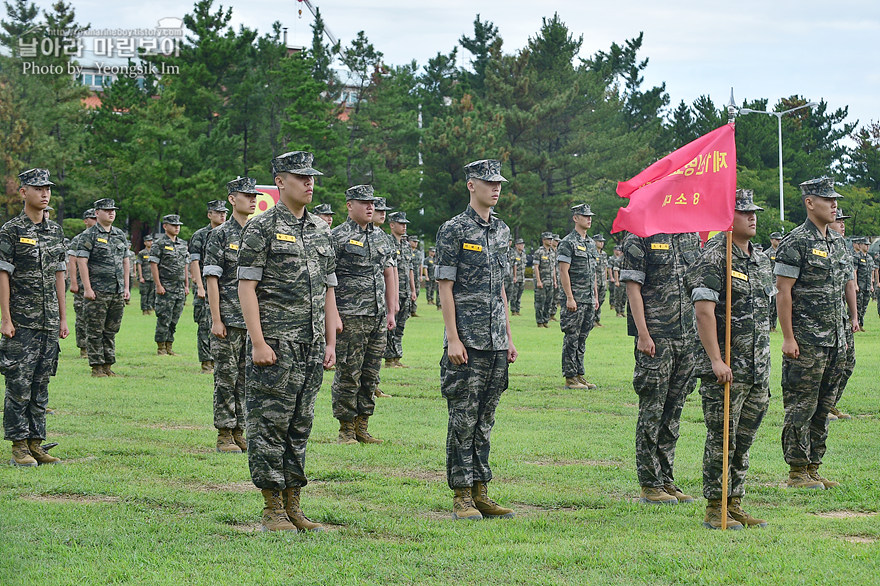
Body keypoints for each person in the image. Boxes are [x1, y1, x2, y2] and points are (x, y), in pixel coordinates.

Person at [237, 151, 338, 532]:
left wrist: (329, 341)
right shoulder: (261, 227)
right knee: (269, 425)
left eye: (312, 176)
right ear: (280, 181)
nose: (309, 182)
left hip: (311, 345)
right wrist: (258, 342)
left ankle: (294, 502)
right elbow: (247, 288)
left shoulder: (320, 229)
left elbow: (329, 289)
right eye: (301, 177)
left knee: (300, 424)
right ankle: (272, 507)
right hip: (276, 344)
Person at [435, 159, 517, 521]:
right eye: (488, 183)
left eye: (498, 182)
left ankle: (482, 490)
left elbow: (500, 285)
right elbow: (445, 286)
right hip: (467, 341)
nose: (495, 188)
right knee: (463, 420)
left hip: (496, 341)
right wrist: (453, 338)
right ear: (471, 185)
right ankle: (462, 495)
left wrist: (509, 337)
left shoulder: (502, 230)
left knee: (485, 420)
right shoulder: (453, 229)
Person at [686, 189, 772, 530]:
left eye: (754, 211)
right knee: (723, 437)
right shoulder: (714, 257)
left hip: (757, 368)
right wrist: (716, 361)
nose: (752, 217)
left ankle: (735, 502)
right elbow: (704, 312)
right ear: (726, 217)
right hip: (726, 369)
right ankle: (714, 505)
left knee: (745, 438)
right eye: (743, 212)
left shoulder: (760, 259)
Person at [774, 177, 858, 490]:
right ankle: (797, 471)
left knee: (824, 406)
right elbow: (784, 292)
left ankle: (814, 466)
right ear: (810, 203)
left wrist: (849, 325)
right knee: (802, 406)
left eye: (835, 200)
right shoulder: (795, 241)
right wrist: (788, 337)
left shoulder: (837, 243)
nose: (835, 205)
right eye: (828, 200)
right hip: (806, 340)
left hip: (835, 339)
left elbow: (844, 286)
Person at [621, 226, 701, 505]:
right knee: (652, 412)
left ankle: (666, 478)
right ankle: (649, 483)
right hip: (656, 337)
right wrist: (643, 333)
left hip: (687, 336)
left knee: (673, 412)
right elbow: (633, 287)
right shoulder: (640, 235)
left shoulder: (690, 235)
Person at [0, 168, 68, 466]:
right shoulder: (10, 231)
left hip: (49, 321)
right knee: (19, 383)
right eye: (38, 188)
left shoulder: (55, 231)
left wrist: (64, 318)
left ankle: (36, 443)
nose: (45, 193)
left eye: (48, 188)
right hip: (21, 322)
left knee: (41, 384)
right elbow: (3, 275)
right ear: (23, 192)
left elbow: (59, 275)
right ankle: (18, 446)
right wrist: (5, 318)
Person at [330, 185, 396, 444]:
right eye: (364, 202)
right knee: (348, 373)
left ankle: (362, 425)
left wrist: (391, 311)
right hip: (350, 316)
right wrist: (333, 314)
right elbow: (328, 278)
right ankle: (345, 428)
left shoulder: (382, 238)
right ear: (349, 205)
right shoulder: (337, 236)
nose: (371, 207)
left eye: (372, 203)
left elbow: (388, 273)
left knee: (370, 374)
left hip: (377, 316)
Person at [203, 178, 259, 453]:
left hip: (253, 321)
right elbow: (212, 279)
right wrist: (216, 319)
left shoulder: (258, 232)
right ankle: (224, 432)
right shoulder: (220, 235)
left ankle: (240, 431)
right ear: (232, 199)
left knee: (247, 378)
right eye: (246, 195)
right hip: (228, 316)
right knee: (226, 376)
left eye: (254, 196)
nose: (252, 200)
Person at [76, 198, 130, 377]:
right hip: (97, 291)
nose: (111, 213)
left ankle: (108, 364)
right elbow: (82, 262)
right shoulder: (89, 235)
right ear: (97, 213)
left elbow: (125, 261)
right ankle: (96, 366)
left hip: (116, 290)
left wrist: (126, 287)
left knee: (111, 330)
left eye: (113, 210)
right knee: (94, 329)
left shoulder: (120, 234)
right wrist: (87, 288)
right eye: (107, 210)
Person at [557, 204, 599, 390]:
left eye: (590, 216)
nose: (589, 219)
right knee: (571, 338)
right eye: (585, 216)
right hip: (575, 299)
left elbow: (593, 273)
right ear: (575, 218)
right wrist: (569, 297)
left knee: (582, 338)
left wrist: (595, 297)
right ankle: (570, 377)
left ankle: (579, 374)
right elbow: (563, 272)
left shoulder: (590, 243)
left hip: (588, 299)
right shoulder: (568, 242)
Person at [189, 200, 228, 374]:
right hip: (205, 284)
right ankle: (206, 362)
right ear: (209, 214)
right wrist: (199, 286)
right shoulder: (201, 235)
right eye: (217, 212)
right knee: (205, 324)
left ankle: (220, 360)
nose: (222, 215)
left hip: (225, 287)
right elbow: (195, 261)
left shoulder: (229, 232)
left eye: (224, 212)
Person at [827, 209, 855, 422]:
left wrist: (854, 316)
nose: (842, 225)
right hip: (819, 320)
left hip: (841, 317)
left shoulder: (843, 248)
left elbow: (849, 284)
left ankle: (830, 403)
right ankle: (823, 408)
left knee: (847, 363)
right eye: (838, 221)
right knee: (826, 366)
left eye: (843, 222)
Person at [150, 215, 190, 356]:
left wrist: (186, 284)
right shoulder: (159, 243)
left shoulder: (182, 244)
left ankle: (169, 345)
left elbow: (185, 265)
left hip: (179, 287)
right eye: (173, 225)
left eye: (178, 225)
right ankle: (161, 347)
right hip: (166, 286)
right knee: (164, 317)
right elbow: (154, 264)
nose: (177, 227)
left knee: (174, 318)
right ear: (165, 226)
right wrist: (158, 285)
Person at [385, 211, 416, 369]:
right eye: (401, 223)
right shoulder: (387, 242)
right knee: (391, 326)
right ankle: (389, 359)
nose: (404, 227)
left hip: (404, 291)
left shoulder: (406, 244)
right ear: (392, 225)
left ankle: (397, 357)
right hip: (393, 292)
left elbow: (410, 268)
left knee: (401, 326)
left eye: (405, 224)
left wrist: (413, 289)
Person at [68, 209, 97, 357]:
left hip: (100, 284)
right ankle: (84, 348)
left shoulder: (104, 237)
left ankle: (97, 348)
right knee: (82, 316)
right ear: (86, 220)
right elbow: (72, 261)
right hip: (81, 284)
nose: (95, 220)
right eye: (92, 218)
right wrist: (73, 282)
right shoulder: (78, 239)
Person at [533, 232, 556, 328]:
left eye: (551, 239)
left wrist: (555, 281)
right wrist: (538, 280)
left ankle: (546, 321)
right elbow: (536, 267)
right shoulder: (539, 252)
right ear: (543, 240)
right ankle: (539, 321)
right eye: (548, 239)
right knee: (539, 302)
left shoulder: (552, 253)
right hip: (542, 281)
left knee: (548, 302)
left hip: (550, 281)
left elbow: (553, 268)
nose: (550, 241)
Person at [854, 237, 873, 331]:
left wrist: (872, 285)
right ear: (860, 245)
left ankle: (861, 324)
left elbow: (871, 271)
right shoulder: (857, 257)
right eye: (866, 244)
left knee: (864, 306)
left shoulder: (869, 258)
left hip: (867, 286)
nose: (867, 246)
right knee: (858, 305)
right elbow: (854, 271)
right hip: (860, 286)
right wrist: (855, 284)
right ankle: (854, 323)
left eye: (868, 245)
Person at [136, 233, 156, 315]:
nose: (150, 243)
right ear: (145, 243)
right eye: (148, 241)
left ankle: (149, 307)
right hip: (145, 277)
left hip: (153, 277)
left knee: (152, 294)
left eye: (151, 241)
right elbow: (139, 264)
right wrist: (140, 277)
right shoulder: (142, 253)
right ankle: (144, 309)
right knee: (144, 294)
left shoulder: (154, 252)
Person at [767, 232, 782, 331]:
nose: (779, 241)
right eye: (777, 239)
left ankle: (774, 326)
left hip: (779, 281)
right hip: (770, 281)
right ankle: (769, 325)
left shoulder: (782, 252)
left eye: (780, 239)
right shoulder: (767, 253)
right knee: (771, 305)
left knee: (777, 305)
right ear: (771, 240)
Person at [593, 234, 608, 327]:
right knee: (594, 301)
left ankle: (597, 319)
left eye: (602, 242)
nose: (601, 243)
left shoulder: (604, 254)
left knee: (601, 300)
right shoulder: (592, 253)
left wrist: (606, 280)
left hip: (602, 281)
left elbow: (605, 268)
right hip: (595, 281)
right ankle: (592, 320)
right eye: (599, 241)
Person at [509, 238, 526, 316]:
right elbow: (513, 266)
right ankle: (513, 310)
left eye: (523, 244)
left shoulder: (523, 254)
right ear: (516, 245)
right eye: (520, 244)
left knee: (519, 295)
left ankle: (518, 310)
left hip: (522, 278)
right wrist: (514, 276)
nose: (522, 246)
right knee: (514, 294)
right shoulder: (513, 253)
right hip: (515, 277)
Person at [409, 235, 423, 317]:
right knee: (408, 292)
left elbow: (420, 265)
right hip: (408, 276)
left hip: (416, 276)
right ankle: (408, 309)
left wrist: (421, 275)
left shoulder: (418, 253)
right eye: (414, 241)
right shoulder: (407, 250)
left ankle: (413, 310)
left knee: (416, 292)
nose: (416, 243)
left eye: (416, 242)